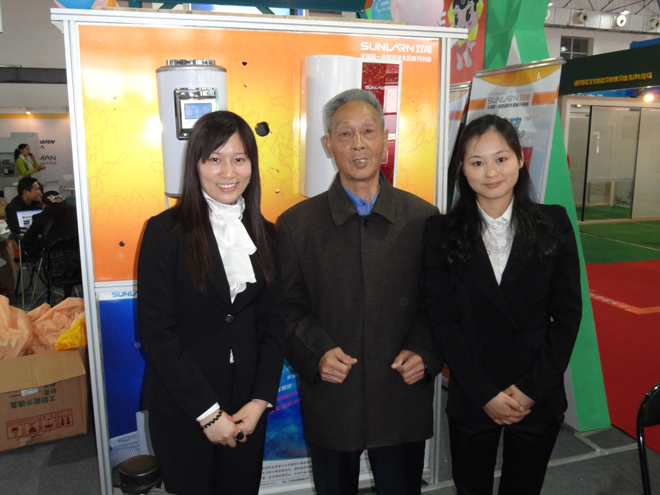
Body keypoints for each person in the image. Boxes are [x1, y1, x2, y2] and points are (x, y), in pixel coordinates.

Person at [278, 89, 443, 495]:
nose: (357, 144)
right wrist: (317, 354)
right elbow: (286, 307)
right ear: (328, 144)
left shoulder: (424, 218)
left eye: (368, 131)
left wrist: (425, 352)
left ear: (385, 140)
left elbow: (440, 304)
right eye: (344, 133)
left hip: (400, 391)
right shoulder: (297, 224)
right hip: (334, 393)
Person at [424, 114, 582, 495]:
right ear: (463, 170)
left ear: (520, 159)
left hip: (537, 393)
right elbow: (442, 320)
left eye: (501, 158)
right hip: (473, 393)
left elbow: (567, 316)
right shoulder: (441, 231)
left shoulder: (553, 222)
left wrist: (531, 389)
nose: (491, 172)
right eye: (477, 162)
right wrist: (484, 394)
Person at [137, 111, 286, 494]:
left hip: (247, 402)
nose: (228, 172)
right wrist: (207, 413)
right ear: (196, 164)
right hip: (184, 400)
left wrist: (260, 400)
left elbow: (273, 325)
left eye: (239, 159)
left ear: (252, 165)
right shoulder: (165, 231)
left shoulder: (268, 236)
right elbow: (156, 332)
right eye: (215, 159)